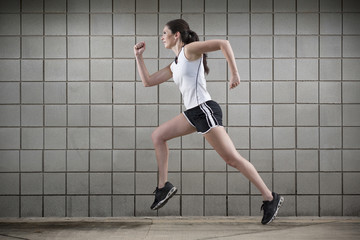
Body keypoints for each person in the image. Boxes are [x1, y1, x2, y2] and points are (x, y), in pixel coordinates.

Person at [134, 19, 284, 224]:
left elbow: (224, 43)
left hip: (205, 110)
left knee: (232, 159)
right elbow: (148, 81)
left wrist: (235, 73)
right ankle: (163, 188)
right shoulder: (175, 64)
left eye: (165, 33)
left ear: (176, 35)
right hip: (192, 113)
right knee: (158, 136)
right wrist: (138, 57)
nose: (162, 37)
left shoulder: (190, 50)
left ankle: (270, 197)